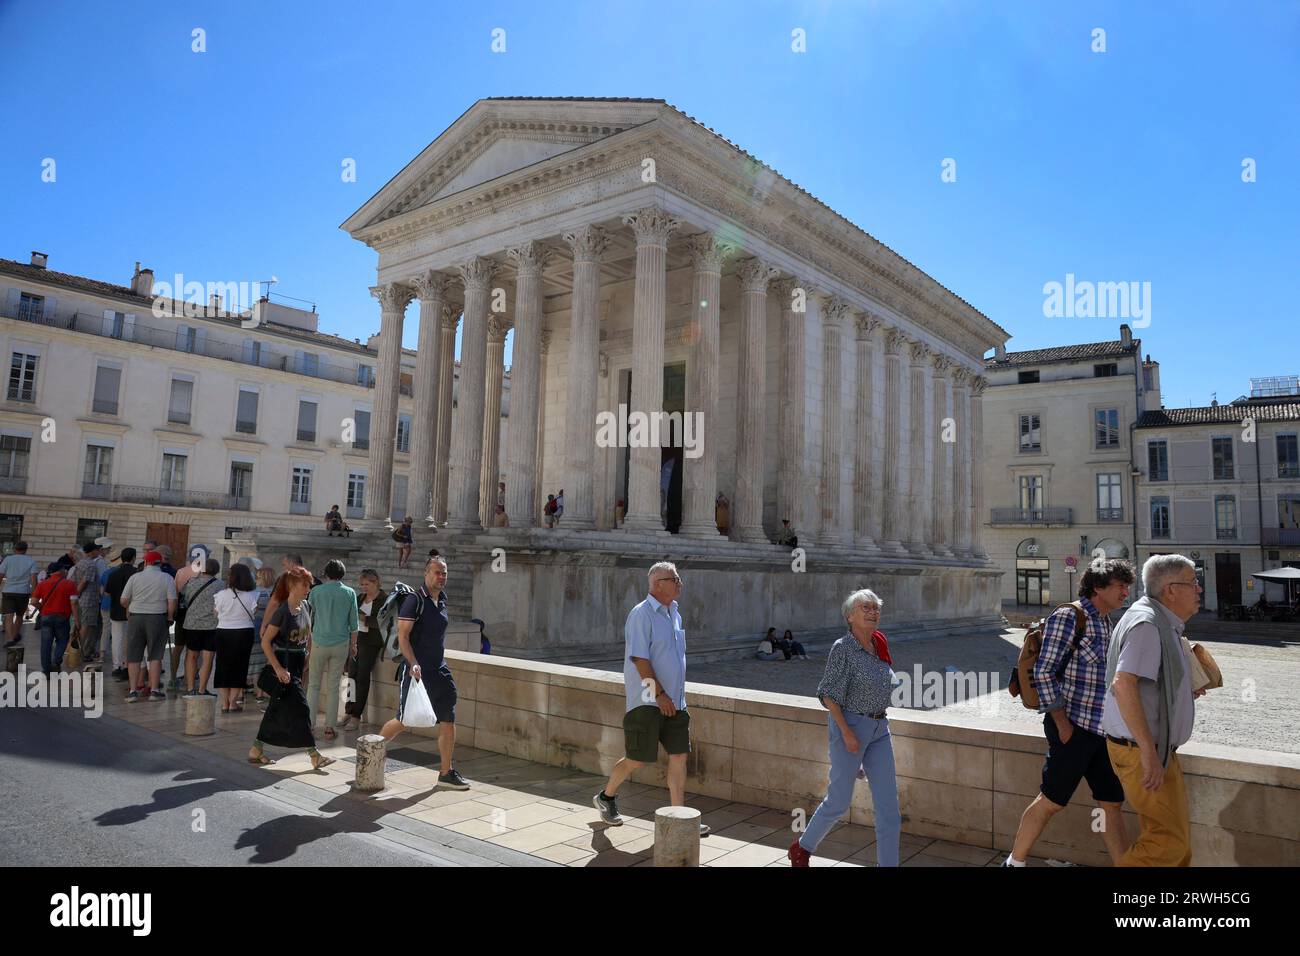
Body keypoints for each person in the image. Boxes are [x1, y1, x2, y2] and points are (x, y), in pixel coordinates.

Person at [1004, 558, 1135, 867]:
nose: (1125, 593)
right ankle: (1014, 862)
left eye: (1127, 586)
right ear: (1098, 587)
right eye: (1120, 586)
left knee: (1111, 803)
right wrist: (1062, 725)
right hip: (1073, 728)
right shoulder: (1069, 616)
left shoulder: (1105, 620)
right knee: (1051, 801)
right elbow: (1044, 671)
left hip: (1102, 731)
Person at [1102, 554, 1205, 867]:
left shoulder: (1159, 621)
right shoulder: (1148, 625)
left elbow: (1148, 685)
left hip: (1153, 750)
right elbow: (1123, 684)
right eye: (1193, 582)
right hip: (1143, 752)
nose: (1199, 589)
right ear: (1171, 590)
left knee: (1173, 842)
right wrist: (1148, 752)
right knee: (1168, 844)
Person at [789, 589, 901, 867]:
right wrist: (848, 735)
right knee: (838, 801)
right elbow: (828, 694)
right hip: (849, 726)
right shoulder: (843, 647)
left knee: (889, 808)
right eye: (866, 608)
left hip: (879, 728)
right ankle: (802, 848)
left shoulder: (880, 644)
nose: (873, 612)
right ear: (850, 616)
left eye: (876, 608)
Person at [593, 562, 707, 834]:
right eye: (674, 578)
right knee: (637, 758)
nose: (680, 582)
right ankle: (606, 796)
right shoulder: (641, 614)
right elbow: (639, 659)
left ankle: (679, 818)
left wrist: (674, 697)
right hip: (648, 700)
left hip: (677, 702)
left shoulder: (675, 613)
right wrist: (659, 694)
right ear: (657, 584)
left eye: (678, 578)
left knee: (679, 756)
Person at [379, 555, 468, 789]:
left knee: (448, 717)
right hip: (416, 672)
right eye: (437, 572)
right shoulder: (414, 600)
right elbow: (403, 636)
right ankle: (371, 754)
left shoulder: (442, 601)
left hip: (439, 670)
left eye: (444, 573)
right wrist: (413, 662)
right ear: (426, 573)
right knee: (402, 720)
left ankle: (446, 773)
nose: (441, 577)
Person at [249, 566, 333, 769]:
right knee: (302, 709)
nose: (308, 588)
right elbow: (266, 641)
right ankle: (314, 755)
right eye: (304, 584)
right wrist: (277, 668)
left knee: (276, 708)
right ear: (292, 585)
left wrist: (309, 654)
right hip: (283, 664)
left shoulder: (304, 606)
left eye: (308, 584)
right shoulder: (282, 612)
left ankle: (256, 749)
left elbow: (309, 632)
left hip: (297, 664)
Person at [306, 559, 358, 741]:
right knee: (334, 686)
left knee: (313, 685)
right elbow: (354, 624)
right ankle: (329, 728)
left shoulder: (316, 591)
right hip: (341, 643)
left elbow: (310, 616)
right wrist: (354, 645)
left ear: (326, 574)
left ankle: (309, 726)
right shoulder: (350, 593)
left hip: (319, 641)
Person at [120, 551, 178, 701]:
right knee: (155, 655)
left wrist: (133, 604)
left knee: (133, 656)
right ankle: (154, 690)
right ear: (160, 563)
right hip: (157, 617)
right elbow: (172, 601)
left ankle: (133, 691)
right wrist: (170, 617)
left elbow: (123, 600)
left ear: (145, 563)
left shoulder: (135, 577)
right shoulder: (167, 578)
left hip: (136, 617)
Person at [341, 569, 387, 731]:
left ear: (375, 583)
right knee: (350, 676)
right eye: (362, 584)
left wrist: (363, 618)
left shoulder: (384, 600)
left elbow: (382, 623)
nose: (363, 587)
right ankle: (348, 710)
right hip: (357, 640)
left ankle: (356, 716)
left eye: (367, 584)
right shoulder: (360, 598)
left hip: (371, 643)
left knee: (362, 677)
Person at [213, 563, 259, 714]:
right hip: (244, 632)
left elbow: (216, 614)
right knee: (240, 666)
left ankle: (224, 703)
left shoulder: (221, 595)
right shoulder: (252, 596)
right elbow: (254, 614)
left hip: (224, 632)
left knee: (222, 666)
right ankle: (233, 703)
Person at [180, 559, 224, 695]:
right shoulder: (221, 585)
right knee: (208, 658)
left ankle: (190, 688)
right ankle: (202, 689)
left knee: (191, 655)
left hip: (192, 624)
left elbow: (185, 599)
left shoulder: (191, 582)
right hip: (212, 624)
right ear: (216, 570)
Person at [30, 562, 79, 676]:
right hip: (62, 617)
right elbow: (74, 603)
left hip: (46, 617)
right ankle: (56, 661)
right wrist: (77, 620)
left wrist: (42, 608)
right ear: (61, 570)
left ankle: (46, 670)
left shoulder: (43, 584)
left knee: (46, 643)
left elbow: (33, 601)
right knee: (62, 640)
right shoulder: (70, 584)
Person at [104, 547, 139, 682]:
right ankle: (127, 664)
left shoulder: (113, 574)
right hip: (133, 611)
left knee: (117, 639)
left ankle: (116, 666)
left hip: (116, 610)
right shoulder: (136, 573)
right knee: (130, 639)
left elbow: (107, 593)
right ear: (133, 558)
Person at [71, 541, 106, 664]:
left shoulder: (79, 563)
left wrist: (75, 595)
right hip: (89, 599)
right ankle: (80, 652)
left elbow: (73, 580)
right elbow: (85, 582)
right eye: (97, 550)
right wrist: (79, 593)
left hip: (80, 600)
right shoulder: (91, 565)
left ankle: (75, 650)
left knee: (79, 624)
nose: (99, 552)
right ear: (92, 552)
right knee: (86, 626)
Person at [0, 541, 38, 648]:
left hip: (8, 590)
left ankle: (9, 639)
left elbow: (1, 575)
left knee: (8, 616)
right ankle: (15, 635)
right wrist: (35, 593)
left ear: (14, 549)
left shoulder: (8, 559)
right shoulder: (31, 561)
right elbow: (33, 579)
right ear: (25, 550)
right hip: (23, 592)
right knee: (20, 615)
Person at [248, 565, 275, 704]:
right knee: (265, 661)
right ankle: (261, 691)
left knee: (254, 662)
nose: (256, 579)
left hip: (256, 629)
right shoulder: (275, 593)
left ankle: (256, 689)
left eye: (258, 576)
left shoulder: (254, 593)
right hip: (272, 631)